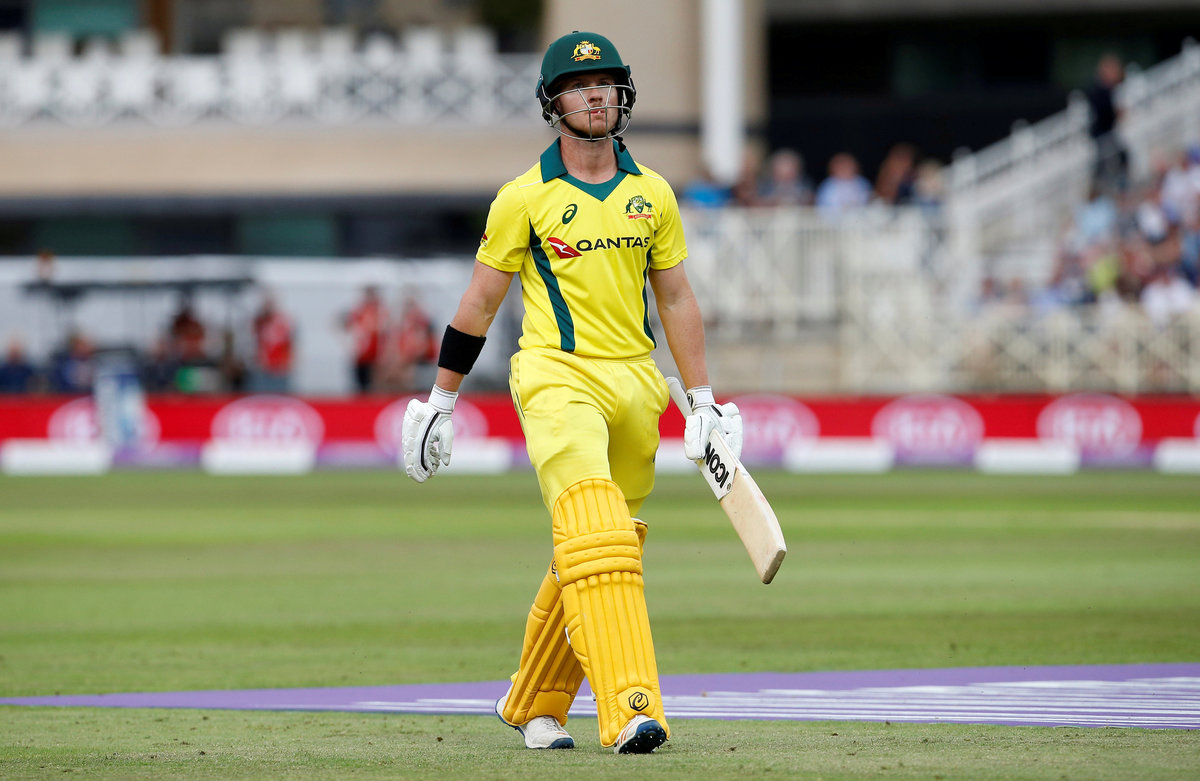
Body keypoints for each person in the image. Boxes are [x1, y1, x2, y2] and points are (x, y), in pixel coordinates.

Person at [400, 31, 742, 755]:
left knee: (592, 553)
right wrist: (440, 400)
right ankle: (631, 710)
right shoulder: (525, 197)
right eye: (579, 86)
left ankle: (534, 702)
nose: (595, 96)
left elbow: (676, 299)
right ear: (552, 103)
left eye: (605, 84)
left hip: (636, 383)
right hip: (556, 376)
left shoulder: (653, 194)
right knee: (598, 534)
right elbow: (479, 303)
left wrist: (703, 400)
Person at [343, 286, 387, 393]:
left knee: (375, 386)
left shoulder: (380, 311)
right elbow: (348, 327)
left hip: (375, 358)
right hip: (361, 357)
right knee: (361, 386)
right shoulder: (359, 311)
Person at [251, 291, 295, 393]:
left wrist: (288, 361)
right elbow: (256, 341)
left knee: (280, 395)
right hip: (264, 367)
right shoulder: (260, 321)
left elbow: (289, 343)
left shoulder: (283, 321)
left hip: (280, 367)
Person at [815, 152, 871, 218]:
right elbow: (822, 208)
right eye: (841, 166)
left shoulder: (862, 183)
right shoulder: (827, 185)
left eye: (847, 166)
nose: (844, 169)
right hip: (834, 220)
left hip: (859, 219)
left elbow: (869, 202)